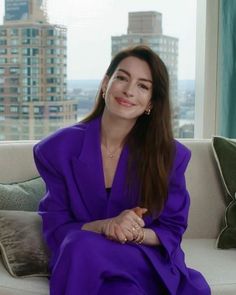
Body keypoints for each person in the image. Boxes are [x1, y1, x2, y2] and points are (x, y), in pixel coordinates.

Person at [33, 45, 211, 295]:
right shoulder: (57, 149)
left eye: (143, 86)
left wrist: (133, 233)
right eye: (122, 78)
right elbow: (57, 228)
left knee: (79, 246)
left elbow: (171, 231)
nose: (129, 91)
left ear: (151, 102)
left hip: (141, 259)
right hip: (83, 261)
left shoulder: (170, 155)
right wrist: (107, 225)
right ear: (106, 83)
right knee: (110, 279)